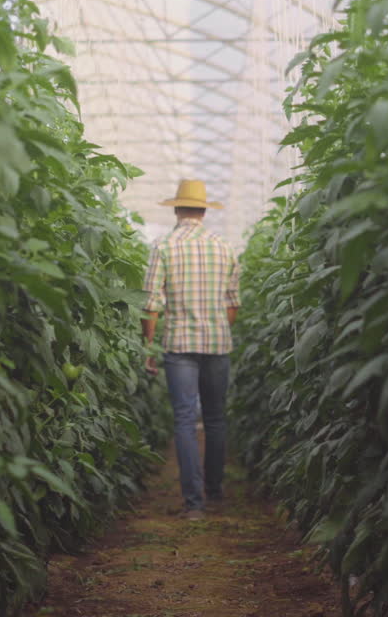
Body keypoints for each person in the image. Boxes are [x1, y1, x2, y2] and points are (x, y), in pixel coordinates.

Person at [141, 179, 241, 521]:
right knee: (215, 418)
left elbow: (151, 304)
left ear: (177, 209)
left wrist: (148, 346)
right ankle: (215, 490)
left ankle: (194, 504)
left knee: (184, 419)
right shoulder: (224, 247)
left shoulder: (163, 246)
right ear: (203, 211)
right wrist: (217, 329)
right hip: (217, 344)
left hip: (179, 344)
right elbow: (233, 304)